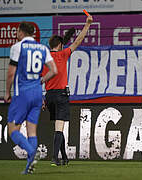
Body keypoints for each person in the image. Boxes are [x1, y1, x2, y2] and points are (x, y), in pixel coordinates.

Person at [4, 22, 57, 174]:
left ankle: (31, 152)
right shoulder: (42, 48)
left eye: (17, 32)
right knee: (31, 131)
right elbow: (54, 70)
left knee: (13, 129)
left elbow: (10, 73)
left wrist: (7, 92)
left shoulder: (17, 47)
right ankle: (29, 168)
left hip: (23, 94)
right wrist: (41, 80)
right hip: (37, 93)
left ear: (21, 32)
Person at [41, 15, 93, 166]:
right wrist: (88, 24)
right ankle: (54, 157)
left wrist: (43, 99)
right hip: (61, 95)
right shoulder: (63, 55)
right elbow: (78, 41)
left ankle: (64, 157)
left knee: (58, 126)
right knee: (59, 127)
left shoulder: (44, 58)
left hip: (49, 96)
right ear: (60, 45)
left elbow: (41, 79)